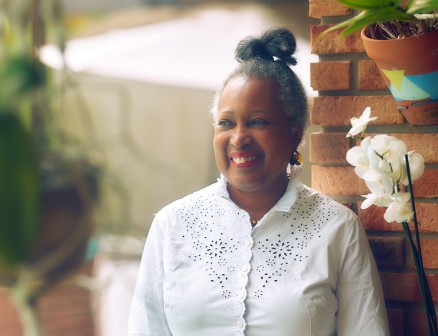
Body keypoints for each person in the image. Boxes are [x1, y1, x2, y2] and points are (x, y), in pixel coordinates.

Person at [128, 27, 390, 336]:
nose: (239, 138)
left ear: (294, 133)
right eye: (226, 123)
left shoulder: (337, 229)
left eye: (257, 122)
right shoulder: (172, 225)